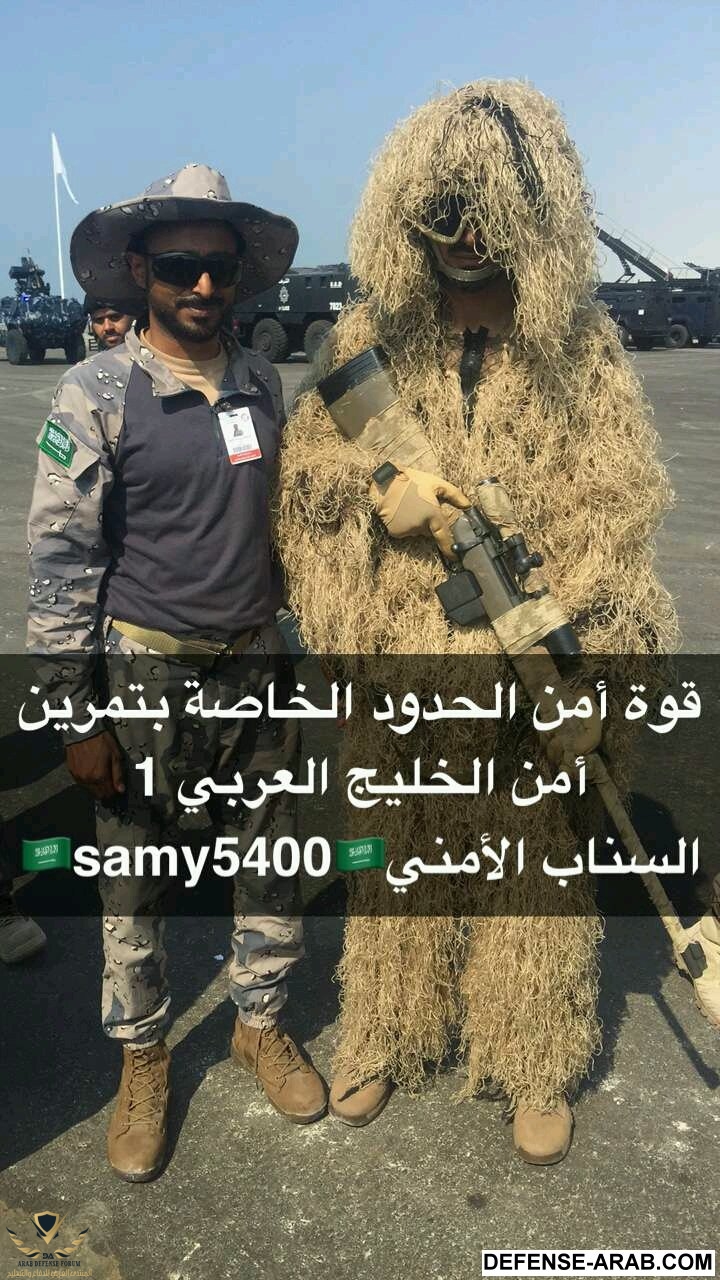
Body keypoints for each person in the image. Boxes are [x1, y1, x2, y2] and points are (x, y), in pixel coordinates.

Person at [276, 82, 679, 1164]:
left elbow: (617, 509)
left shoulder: (577, 347)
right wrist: (381, 496)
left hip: (525, 658)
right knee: (394, 859)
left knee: (535, 861)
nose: (463, 235)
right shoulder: (369, 337)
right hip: (402, 662)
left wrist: (575, 644)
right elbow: (308, 481)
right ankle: (386, 1030)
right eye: (443, 209)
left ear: (534, 215)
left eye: (488, 211)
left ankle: (533, 1053)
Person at [27, 164, 326, 1182]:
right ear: (140, 269)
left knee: (273, 855)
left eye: (220, 268)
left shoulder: (262, 383)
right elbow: (61, 561)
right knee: (135, 874)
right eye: (180, 266)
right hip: (144, 675)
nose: (202, 285)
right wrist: (77, 715)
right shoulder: (97, 392)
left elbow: (284, 524)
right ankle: (144, 1056)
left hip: (255, 665)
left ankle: (259, 1024)